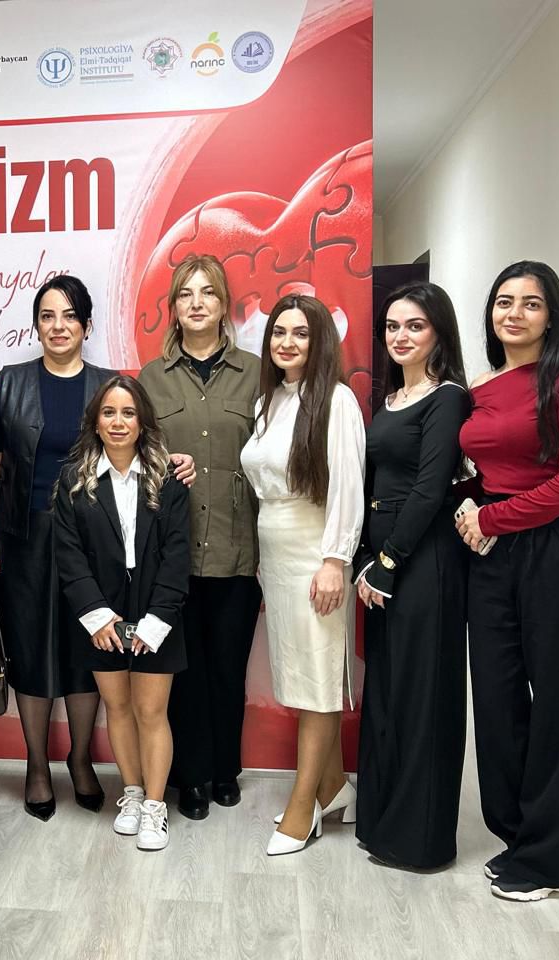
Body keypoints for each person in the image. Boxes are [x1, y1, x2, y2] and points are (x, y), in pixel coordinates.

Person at [456, 261, 559, 902]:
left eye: (531, 303)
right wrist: (472, 501)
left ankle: (550, 861)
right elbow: (495, 465)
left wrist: (491, 517)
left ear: (552, 316)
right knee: (497, 700)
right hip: (494, 551)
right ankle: (519, 836)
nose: (514, 313)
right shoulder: (484, 384)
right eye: (504, 301)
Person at [0, 275, 114, 819]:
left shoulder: (107, 386)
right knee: (30, 649)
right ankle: (36, 763)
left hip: (92, 539)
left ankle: (80, 758)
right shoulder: (9, 383)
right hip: (23, 538)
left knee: (87, 647)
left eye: (70, 316)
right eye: (48, 316)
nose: (59, 326)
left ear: (87, 326)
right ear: (36, 325)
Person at [137, 253, 262, 822]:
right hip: (173, 553)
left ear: (223, 304)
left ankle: (225, 770)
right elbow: (131, 453)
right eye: (185, 293)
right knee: (182, 675)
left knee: (228, 669)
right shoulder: (151, 377)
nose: (196, 303)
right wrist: (161, 462)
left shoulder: (256, 372)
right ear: (173, 306)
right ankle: (189, 776)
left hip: (239, 548)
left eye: (207, 292)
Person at [239, 294, 365, 856]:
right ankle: (335, 788)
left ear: (320, 342)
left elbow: (348, 487)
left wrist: (335, 560)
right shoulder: (268, 401)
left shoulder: (336, 400)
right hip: (275, 553)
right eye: (279, 332)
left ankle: (303, 805)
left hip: (317, 554)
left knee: (317, 680)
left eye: (301, 333)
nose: (287, 343)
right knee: (300, 676)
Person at [352, 282, 471, 869]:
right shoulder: (392, 399)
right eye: (393, 326)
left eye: (415, 326)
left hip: (422, 561)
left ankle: (419, 842)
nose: (400, 336)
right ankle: (381, 825)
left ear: (438, 333)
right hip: (382, 561)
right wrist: (364, 558)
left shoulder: (448, 398)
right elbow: (375, 483)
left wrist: (389, 562)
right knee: (389, 691)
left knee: (424, 695)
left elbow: (429, 489)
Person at [53, 376, 191, 851]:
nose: (118, 422)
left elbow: (177, 555)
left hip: (157, 609)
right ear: (95, 422)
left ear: (142, 422)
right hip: (103, 615)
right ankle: (131, 793)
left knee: (151, 710)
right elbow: (68, 555)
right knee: (117, 707)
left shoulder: (168, 479)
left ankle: (155, 805)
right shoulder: (74, 481)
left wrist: (158, 620)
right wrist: (96, 616)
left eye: (128, 413)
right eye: (108, 412)